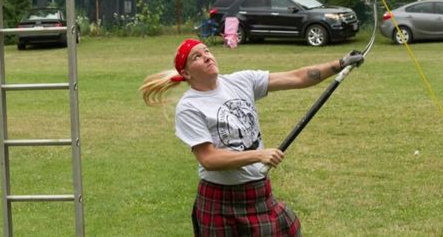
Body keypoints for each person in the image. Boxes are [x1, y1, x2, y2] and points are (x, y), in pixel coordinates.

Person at [140, 38, 364, 236]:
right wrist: (258, 155)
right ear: (187, 73)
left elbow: (297, 77)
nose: (207, 57)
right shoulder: (189, 107)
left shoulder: (241, 81)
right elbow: (209, 159)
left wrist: (339, 64)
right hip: (220, 199)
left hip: (257, 193)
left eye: (206, 51)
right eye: (197, 57)